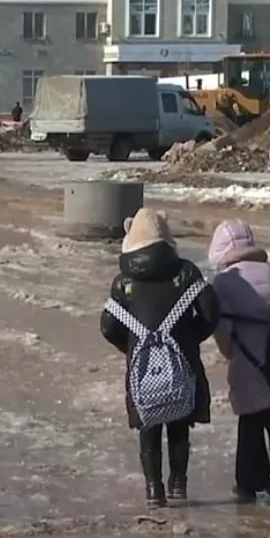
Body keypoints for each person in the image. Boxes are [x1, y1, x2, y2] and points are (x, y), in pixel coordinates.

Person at [101, 208, 219, 507]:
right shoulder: (186, 272)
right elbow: (211, 312)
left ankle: (154, 490)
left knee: (148, 425)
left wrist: (132, 348)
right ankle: (178, 485)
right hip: (183, 359)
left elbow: (107, 326)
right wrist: (190, 337)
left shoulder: (122, 283)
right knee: (179, 423)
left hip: (142, 366)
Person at [207, 219, 270, 502]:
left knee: (250, 425)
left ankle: (249, 483)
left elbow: (222, 329)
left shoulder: (225, 282)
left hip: (249, 363)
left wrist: (230, 353)